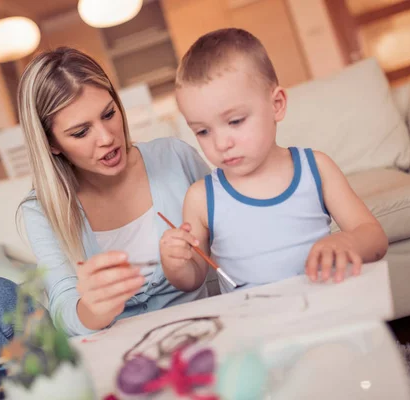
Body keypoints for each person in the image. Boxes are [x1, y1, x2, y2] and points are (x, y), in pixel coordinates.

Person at [0, 47, 211, 370]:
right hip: (99, 354)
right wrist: (93, 308)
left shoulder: (175, 158)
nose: (106, 138)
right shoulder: (42, 209)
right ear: (53, 144)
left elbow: (234, 239)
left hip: (190, 337)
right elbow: (64, 308)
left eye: (109, 113)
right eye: (81, 132)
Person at [159, 28, 389, 294]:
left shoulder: (317, 168)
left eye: (235, 121)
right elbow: (194, 278)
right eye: (202, 131)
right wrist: (176, 264)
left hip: (324, 313)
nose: (221, 144)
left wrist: (349, 241)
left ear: (276, 104)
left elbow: (375, 238)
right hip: (257, 328)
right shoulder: (200, 198)